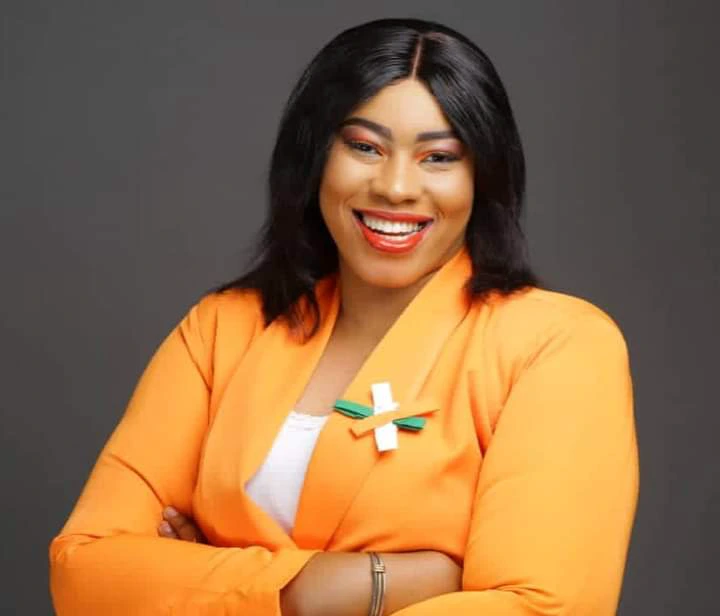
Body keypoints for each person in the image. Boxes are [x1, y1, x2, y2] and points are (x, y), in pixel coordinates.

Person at [49, 17, 639, 616]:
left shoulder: (557, 346)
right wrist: (327, 589)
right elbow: (83, 572)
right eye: (364, 147)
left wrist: (200, 585)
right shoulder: (223, 329)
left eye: (438, 157)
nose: (396, 187)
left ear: (481, 176)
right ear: (315, 155)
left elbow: (540, 607)